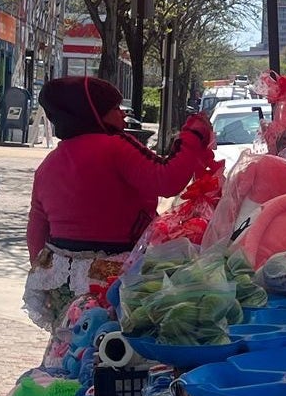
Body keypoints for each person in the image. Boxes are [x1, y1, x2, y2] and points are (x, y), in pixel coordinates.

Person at [23, 76, 213, 341]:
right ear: (93, 113)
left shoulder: (50, 163)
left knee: (70, 347)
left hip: (59, 278)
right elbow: (168, 180)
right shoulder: (116, 147)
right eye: (115, 109)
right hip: (113, 277)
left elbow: (37, 225)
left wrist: (39, 268)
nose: (123, 116)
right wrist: (191, 138)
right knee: (114, 352)